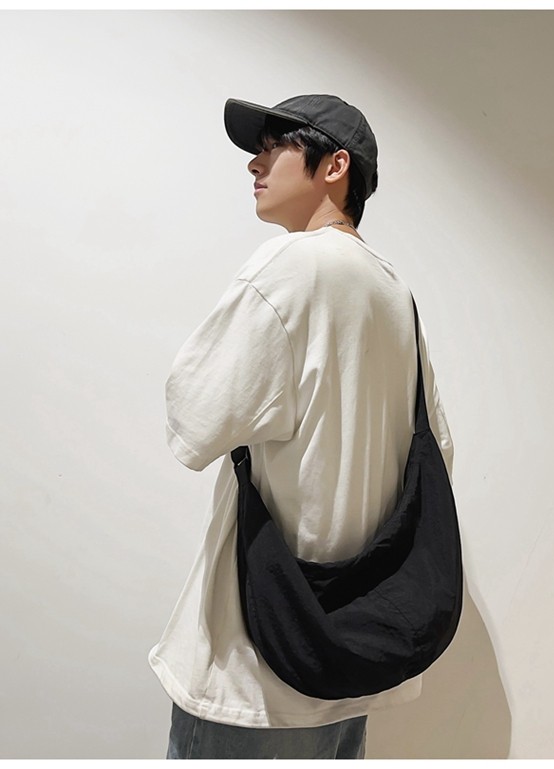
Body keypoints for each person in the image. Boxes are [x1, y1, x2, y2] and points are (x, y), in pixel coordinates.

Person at [148, 94, 454, 759]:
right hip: (351, 661)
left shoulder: (289, 266)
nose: (254, 164)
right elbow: (438, 450)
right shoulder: (395, 293)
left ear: (335, 166)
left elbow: (192, 422)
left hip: (256, 669)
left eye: (274, 147)